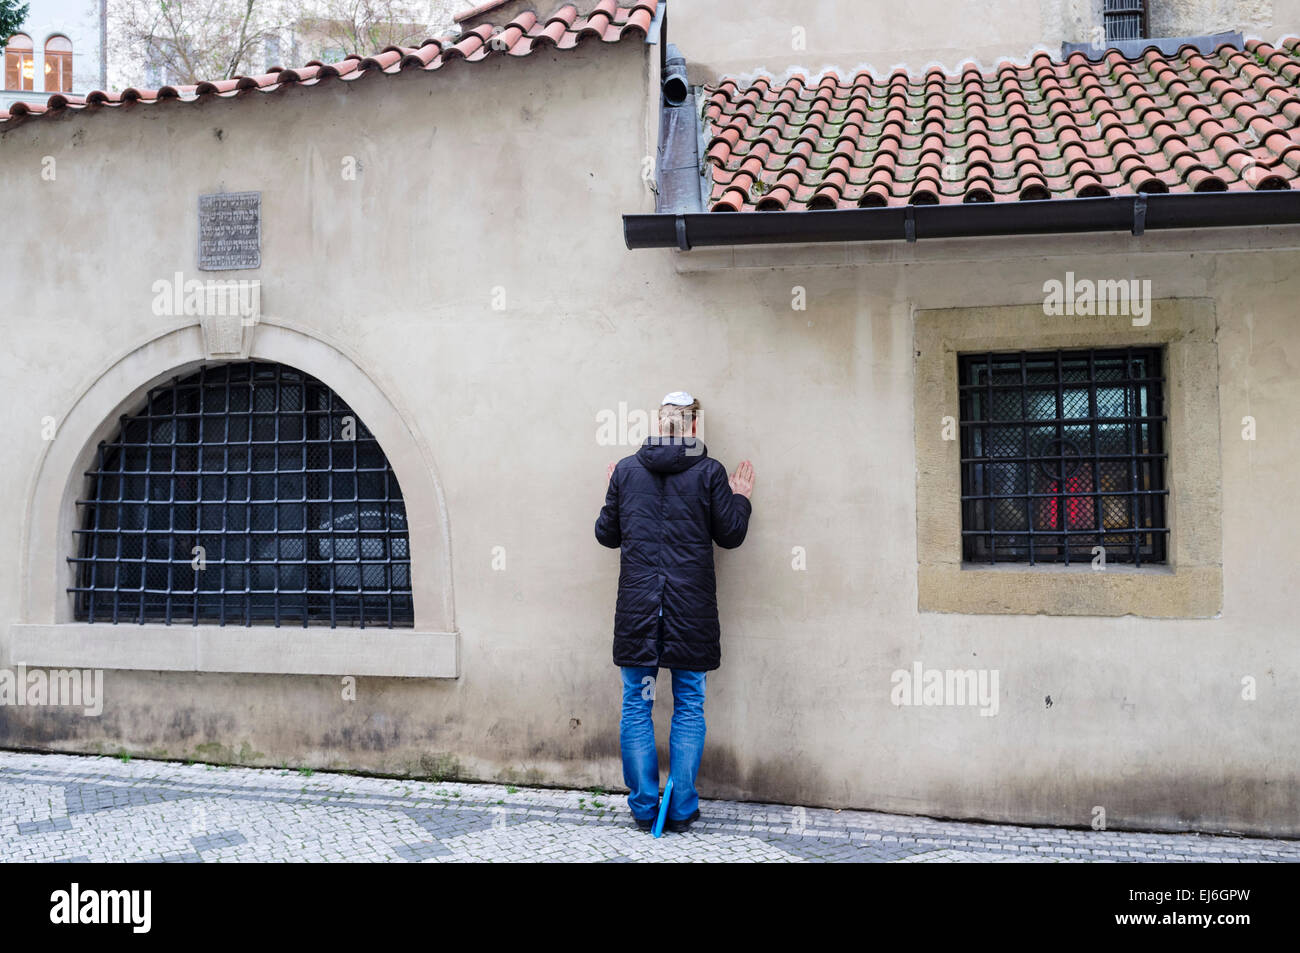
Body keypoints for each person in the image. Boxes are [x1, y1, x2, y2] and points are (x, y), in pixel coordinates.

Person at [594, 391, 754, 833]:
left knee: (636, 704)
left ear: (657, 424)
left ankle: (645, 806)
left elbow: (607, 535)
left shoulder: (626, 471)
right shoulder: (710, 472)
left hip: (638, 610)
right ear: (694, 428)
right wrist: (739, 498)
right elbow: (732, 536)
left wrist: (615, 494)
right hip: (691, 612)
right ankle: (681, 807)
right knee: (688, 704)